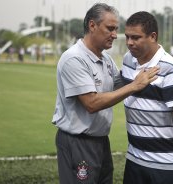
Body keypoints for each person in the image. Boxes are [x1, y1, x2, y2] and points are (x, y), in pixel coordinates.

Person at [51, 4, 159, 184]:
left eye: (116, 29)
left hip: (100, 141)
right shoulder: (74, 58)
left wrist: (149, 60)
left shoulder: (105, 58)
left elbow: (119, 85)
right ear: (92, 26)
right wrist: (134, 85)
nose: (116, 35)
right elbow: (91, 103)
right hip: (78, 142)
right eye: (110, 28)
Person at [121, 11, 173, 184]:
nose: (129, 43)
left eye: (136, 38)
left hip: (164, 165)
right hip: (133, 159)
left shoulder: (171, 70)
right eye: (127, 37)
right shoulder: (127, 60)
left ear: (153, 36)